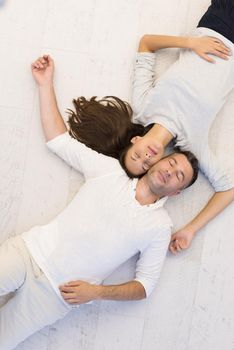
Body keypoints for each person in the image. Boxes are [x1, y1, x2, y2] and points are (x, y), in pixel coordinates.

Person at [0, 52, 198, 350]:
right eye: (172, 164)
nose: (171, 171)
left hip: (57, 296)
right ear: (158, 160)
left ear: (176, 192)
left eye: (179, 176)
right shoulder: (108, 171)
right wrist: (45, 84)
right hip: (27, 253)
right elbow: (58, 140)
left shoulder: (159, 227)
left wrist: (97, 292)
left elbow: (145, 286)